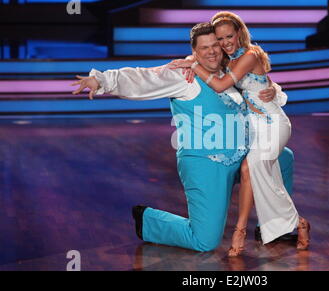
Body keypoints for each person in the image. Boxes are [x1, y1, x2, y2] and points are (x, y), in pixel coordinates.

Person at [71, 22, 295, 252]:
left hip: (239, 156)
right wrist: (102, 81)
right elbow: (144, 77)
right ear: (194, 51)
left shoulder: (228, 69)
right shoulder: (183, 75)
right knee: (205, 241)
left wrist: (273, 92)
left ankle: (274, 226)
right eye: (204, 47)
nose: (212, 51)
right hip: (205, 163)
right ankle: (148, 221)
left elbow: (257, 82)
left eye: (215, 45)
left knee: (283, 157)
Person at [168, 11, 311, 256]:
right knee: (265, 177)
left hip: (274, 124)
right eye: (220, 39)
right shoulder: (228, 60)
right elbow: (207, 57)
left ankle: (240, 231)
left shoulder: (250, 54)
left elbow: (223, 85)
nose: (225, 43)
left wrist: (193, 65)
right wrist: (190, 62)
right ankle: (299, 223)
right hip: (254, 128)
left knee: (249, 168)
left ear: (239, 33)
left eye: (229, 36)